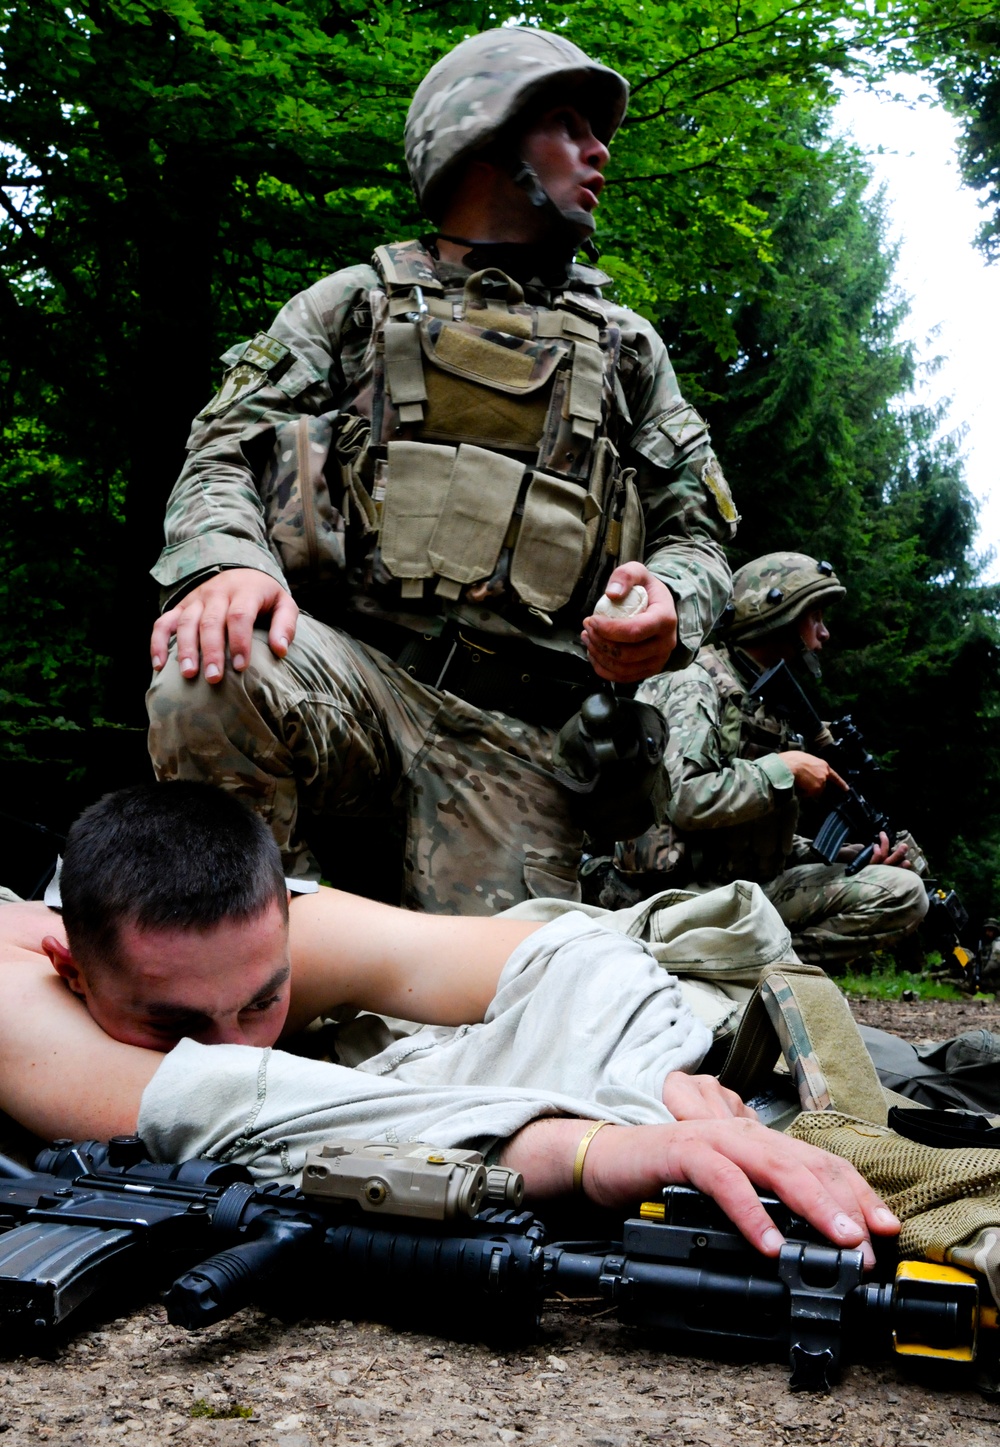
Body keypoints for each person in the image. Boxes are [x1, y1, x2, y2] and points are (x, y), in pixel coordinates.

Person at [146, 27, 737, 915]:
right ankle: (230, 959)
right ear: (485, 136)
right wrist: (227, 563)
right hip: (349, 682)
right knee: (212, 664)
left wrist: (670, 603)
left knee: (497, 1024)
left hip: (519, 741)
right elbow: (224, 448)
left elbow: (700, 532)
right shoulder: (354, 305)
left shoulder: (626, 349)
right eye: (568, 123)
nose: (599, 148)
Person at [0, 782, 897, 1266]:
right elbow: (233, 1104)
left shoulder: (262, 931)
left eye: (262, 1001)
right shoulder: (17, 997)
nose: (239, 1036)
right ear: (71, 969)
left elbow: (567, 953)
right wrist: (593, 1150)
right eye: (175, 1022)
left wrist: (647, 1083)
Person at [590, 553, 929, 964]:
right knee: (903, 892)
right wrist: (784, 768)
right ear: (780, 614)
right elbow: (683, 800)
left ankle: (749, 965)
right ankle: (742, 966)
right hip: (680, 896)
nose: (824, 634)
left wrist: (830, 855)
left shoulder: (763, 704)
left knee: (903, 889)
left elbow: (745, 836)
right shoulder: (692, 679)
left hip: (737, 886)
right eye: (815, 616)